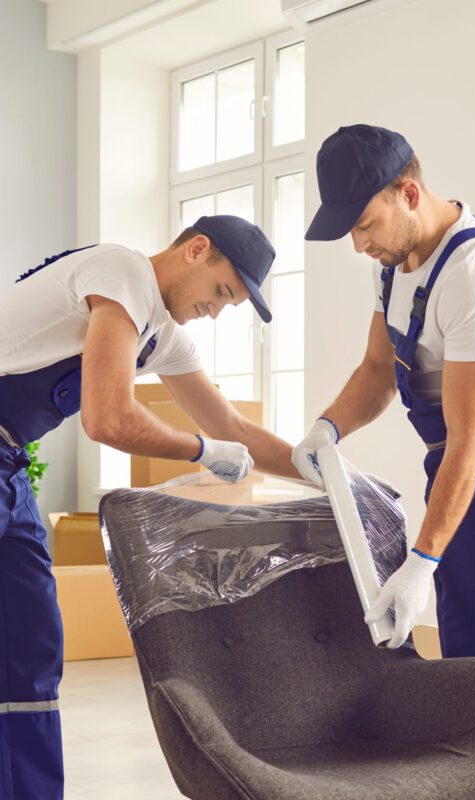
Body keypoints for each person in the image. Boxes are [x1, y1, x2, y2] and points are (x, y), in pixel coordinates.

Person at [0, 214, 298, 800]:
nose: (217, 311)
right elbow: (106, 416)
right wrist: (202, 451)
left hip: (9, 463)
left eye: (230, 304)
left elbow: (233, 425)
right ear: (196, 249)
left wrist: (329, 472)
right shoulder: (123, 271)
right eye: (220, 291)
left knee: (31, 641)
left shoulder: (163, 335)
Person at [293, 124, 475, 712]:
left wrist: (420, 561)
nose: (358, 245)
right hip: (458, 451)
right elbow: (376, 369)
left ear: (409, 194)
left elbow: (472, 435)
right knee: (463, 626)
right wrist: (328, 429)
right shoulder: (392, 262)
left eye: (363, 225)